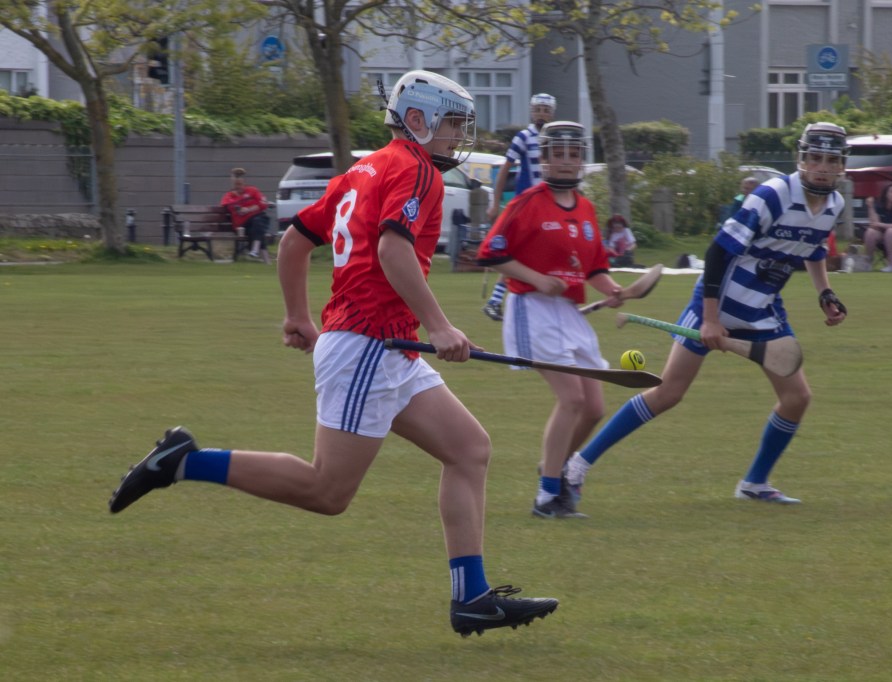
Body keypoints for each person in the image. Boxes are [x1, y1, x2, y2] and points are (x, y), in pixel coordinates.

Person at [108, 69, 558, 638]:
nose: (455, 137)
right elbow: (393, 251)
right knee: (327, 491)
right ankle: (182, 461)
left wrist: (298, 316)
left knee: (469, 449)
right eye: (450, 123)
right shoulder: (417, 170)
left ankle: (471, 597)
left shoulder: (362, 170)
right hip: (369, 344)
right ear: (416, 120)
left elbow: (295, 240)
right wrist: (440, 326)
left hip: (383, 345)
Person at [563, 122, 850, 511]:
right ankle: (577, 466)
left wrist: (825, 293)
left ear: (841, 165)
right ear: (802, 158)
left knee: (797, 397)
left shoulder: (833, 205)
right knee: (668, 393)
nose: (822, 168)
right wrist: (711, 319)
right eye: (815, 158)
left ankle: (754, 482)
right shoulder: (772, 196)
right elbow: (717, 253)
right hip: (716, 303)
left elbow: (814, 249)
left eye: (831, 160)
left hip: (764, 309)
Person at [476, 120, 626, 519]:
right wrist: (538, 279)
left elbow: (595, 268)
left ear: (582, 159)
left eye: (573, 154)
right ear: (543, 159)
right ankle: (547, 498)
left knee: (593, 407)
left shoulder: (587, 208)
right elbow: (491, 253)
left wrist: (611, 289)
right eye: (557, 154)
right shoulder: (527, 203)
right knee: (572, 399)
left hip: (569, 313)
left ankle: (552, 468)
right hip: (532, 307)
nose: (565, 161)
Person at [481, 93, 558, 321]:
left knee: (530, 254)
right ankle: (496, 301)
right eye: (538, 110)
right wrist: (495, 203)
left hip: (547, 205)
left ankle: (499, 301)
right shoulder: (524, 137)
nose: (542, 114)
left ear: (552, 114)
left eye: (546, 110)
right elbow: (505, 169)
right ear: (532, 112)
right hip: (527, 205)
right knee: (518, 253)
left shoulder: (553, 139)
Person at [221, 167, 273, 264]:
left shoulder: (253, 190)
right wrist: (248, 208)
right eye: (236, 182)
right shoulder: (228, 196)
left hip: (257, 220)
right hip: (243, 225)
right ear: (232, 182)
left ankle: (255, 250)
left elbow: (263, 204)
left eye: (240, 181)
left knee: (258, 222)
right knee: (259, 225)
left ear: (244, 181)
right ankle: (263, 257)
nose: (238, 185)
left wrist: (248, 209)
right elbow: (229, 206)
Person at [863, 183, 892, 272]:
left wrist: (881, 225)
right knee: (870, 232)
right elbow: (874, 224)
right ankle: (867, 262)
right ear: (886, 194)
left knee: (890, 231)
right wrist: (870, 207)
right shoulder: (880, 205)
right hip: (882, 234)